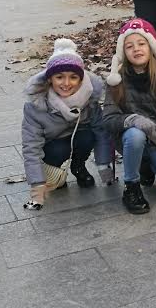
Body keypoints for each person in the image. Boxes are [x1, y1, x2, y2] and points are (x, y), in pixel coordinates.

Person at [102, 19, 156, 214]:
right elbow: (108, 119)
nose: (136, 49)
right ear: (123, 52)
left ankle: (146, 164)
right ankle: (131, 187)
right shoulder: (116, 80)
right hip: (130, 138)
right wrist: (131, 119)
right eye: (129, 46)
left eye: (142, 44)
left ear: (152, 48)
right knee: (135, 134)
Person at [20, 38, 113, 209]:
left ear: (81, 79)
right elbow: (31, 146)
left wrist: (104, 166)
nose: (66, 83)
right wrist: (37, 185)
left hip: (78, 138)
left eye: (73, 77)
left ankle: (78, 167)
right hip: (52, 146)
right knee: (59, 149)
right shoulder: (36, 106)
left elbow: (102, 132)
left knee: (88, 136)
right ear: (50, 79)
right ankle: (54, 172)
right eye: (59, 77)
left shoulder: (89, 99)